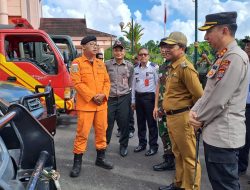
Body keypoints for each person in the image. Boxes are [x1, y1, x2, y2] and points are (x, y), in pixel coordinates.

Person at [189, 12, 249, 190]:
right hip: (215, 134)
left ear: (224, 30)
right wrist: (194, 110)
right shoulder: (223, 57)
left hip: (223, 137)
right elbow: (208, 92)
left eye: (209, 32)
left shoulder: (234, 58)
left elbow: (218, 100)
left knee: (225, 186)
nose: (206, 37)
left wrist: (197, 118)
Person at [159, 32, 203, 190]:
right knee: (178, 153)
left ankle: (191, 187)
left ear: (182, 48)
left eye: (172, 46)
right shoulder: (173, 66)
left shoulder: (186, 68)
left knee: (190, 157)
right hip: (172, 118)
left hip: (183, 117)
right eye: (166, 46)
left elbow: (199, 95)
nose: (167, 49)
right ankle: (179, 184)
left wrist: (194, 116)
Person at [69, 35, 113, 178]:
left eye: (96, 44)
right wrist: (93, 96)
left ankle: (100, 159)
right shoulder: (76, 63)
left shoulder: (101, 63)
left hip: (101, 106)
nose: (95, 46)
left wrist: (103, 95)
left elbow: (107, 82)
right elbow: (77, 83)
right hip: (86, 105)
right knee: (82, 134)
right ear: (83, 47)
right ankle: (77, 163)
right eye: (92, 44)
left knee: (102, 132)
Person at [105, 40, 134, 157]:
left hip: (124, 98)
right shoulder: (106, 64)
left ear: (124, 52)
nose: (118, 52)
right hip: (110, 98)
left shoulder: (129, 66)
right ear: (113, 52)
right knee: (107, 124)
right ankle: (104, 145)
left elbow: (131, 82)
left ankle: (123, 145)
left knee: (124, 124)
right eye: (116, 50)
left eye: (120, 50)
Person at [152, 38, 175, 171]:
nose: (163, 49)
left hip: (174, 109)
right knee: (164, 133)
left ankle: (180, 162)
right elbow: (158, 87)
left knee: (175, 135)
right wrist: (156, 106)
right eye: (162, 47)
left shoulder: (179, 65)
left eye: (166, 47)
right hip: (162, 107)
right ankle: (168, 160)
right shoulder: (162, 66)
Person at [132, 48, 159, 156]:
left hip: (150, 98)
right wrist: (133, 100)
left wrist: (157, 104)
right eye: (140, 54)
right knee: (140, 122)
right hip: (139, 97)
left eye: (145, 54)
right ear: (138, 56)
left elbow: (158, 85)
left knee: (151, 123)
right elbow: (133, 85)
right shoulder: (135, 69)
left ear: (148, 56)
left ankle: (153, 146)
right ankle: (142, 143)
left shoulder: (154, 67)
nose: (143, 56)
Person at [238, 36, 250, 176]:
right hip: (243, 107)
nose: (248, 48)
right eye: (246, 46)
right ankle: (241, 167)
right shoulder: (242, 64)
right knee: (244, 138)